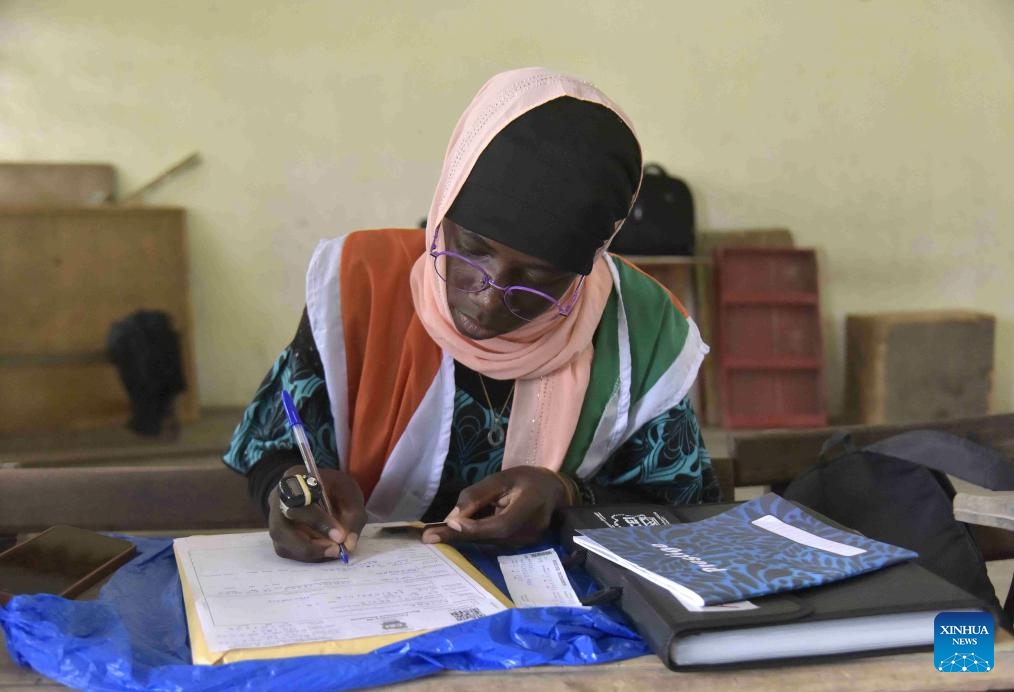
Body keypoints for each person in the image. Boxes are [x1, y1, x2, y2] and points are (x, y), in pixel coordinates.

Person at [223, 67, 719, 562]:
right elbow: (271, 447)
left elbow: (680, 506)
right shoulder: (359, 286)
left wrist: (567, 498)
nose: (488, 298)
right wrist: (291, 491)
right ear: (442, 213)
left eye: (538, 278)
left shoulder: (641, 329)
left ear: (585, 266)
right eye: (471, 251)